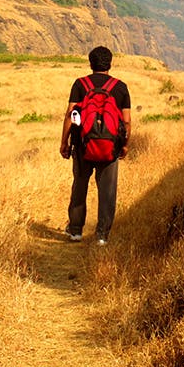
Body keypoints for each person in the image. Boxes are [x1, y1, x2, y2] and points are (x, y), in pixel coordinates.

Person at [59, 45, 131, 245]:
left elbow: (71, 115)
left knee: (79, 186)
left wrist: (64, 142)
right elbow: (126, 121)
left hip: (83, 146)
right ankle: (102, 235)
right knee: (107, 191)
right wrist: (124, 145)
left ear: (90, 64)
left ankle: (75, 231)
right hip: (110, 148)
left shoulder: (80, 84)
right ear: (110, 63)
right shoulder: (120, 87)